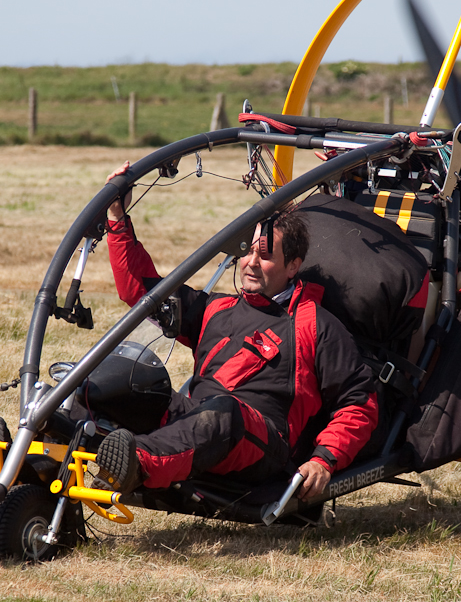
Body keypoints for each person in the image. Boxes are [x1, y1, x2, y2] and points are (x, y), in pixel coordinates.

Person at [96, 161, 378, 501]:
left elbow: (359, 402)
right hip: (197, 423)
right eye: (247, 252)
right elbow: (141, 291)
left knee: (223, 413)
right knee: (114, 383)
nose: (250, 263)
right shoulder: (216, 309)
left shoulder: (316, 325)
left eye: (265, 255)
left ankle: (136, 461)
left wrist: (324, 459)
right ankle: (48, 447)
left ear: (293, 266)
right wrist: (116, 217)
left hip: (262, 443)